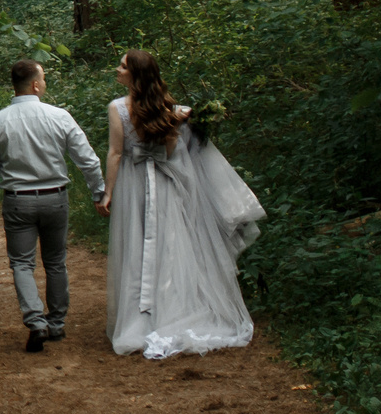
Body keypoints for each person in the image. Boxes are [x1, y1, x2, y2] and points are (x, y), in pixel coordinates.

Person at [104, 48, 266, 360]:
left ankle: (143, 320)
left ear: (135, 74)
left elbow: (115, 152)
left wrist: (108, 191)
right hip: (167, 184)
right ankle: (173, 309)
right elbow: (173, 152)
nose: (118, 69)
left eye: (122, 66)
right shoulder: (174, 111)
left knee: (137, 244)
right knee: (172, 244)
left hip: (135, 184)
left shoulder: (117, 108)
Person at [0, 57, 107, 353]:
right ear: (35, 85)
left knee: (22, 264)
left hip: (18, 202)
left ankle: (36, 321)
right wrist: (98, 192)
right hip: (55, 198)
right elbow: (87, 159)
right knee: (55, 261)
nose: (45, 83)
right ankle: (57, 323)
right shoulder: (59, 116)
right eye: (44, 78)